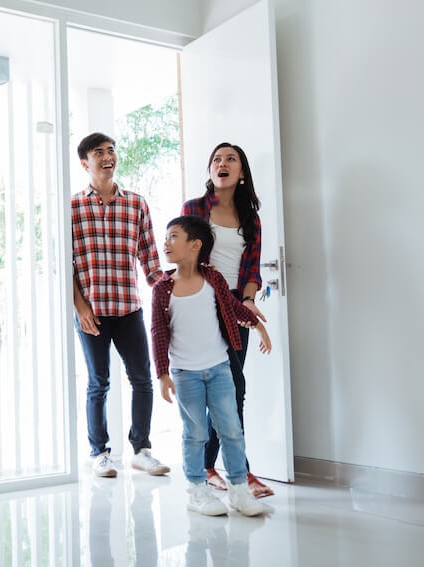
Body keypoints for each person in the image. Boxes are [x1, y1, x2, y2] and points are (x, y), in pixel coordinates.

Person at [151, 215, 271, 516]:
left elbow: (233, 308)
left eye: (173, 236)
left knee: (231, 429)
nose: (166, 242)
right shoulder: (162, 289)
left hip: (219, 370)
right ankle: (197, 491)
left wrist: (257, 326)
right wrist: (163, 374)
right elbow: (158, 332)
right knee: (195, 433)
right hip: (185, 374)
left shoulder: (213, 280)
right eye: (166, 236)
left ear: (195, 245)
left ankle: (239, 490)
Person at [72, 132, 170, 478]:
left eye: (111, 151)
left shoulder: (136, 204)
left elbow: (150, 261)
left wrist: (172, 294)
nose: (108, 157)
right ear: (85, 163)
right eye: (99, 152)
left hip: (129, 307)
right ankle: (99, 452)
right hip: (92, 311)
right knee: (98, 382)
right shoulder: (72, 207)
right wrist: (80, 307)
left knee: (142, 379)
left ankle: (141, 449)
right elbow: (64, 265)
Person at [181, 142, 274, 497]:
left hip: (236, 308)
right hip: (204, 306)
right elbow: (186, 262)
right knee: (234, 387)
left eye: (230, 159)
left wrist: (248, 301)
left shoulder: (251, 218)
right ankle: (242, 473)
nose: (222, 163)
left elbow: (252, 268)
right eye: (216, 159)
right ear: (210, 170)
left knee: (229, 388)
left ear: (241, 172)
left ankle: (207, 466)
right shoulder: (194, 209)